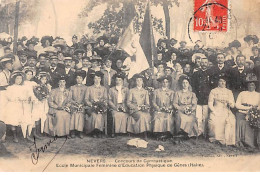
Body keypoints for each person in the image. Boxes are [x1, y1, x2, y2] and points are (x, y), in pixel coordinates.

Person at [2, 71, 34, 142]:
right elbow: (9, 97)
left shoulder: (24, 87)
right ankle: (15, 136)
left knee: (25, 119)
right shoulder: (10, 88)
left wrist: (28, 98)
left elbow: (28, 95)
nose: (19, 80)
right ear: (14, 79)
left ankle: (26, 135)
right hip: (14, 105)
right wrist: (16, 98)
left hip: (23, 105)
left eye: (20, 79)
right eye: (17, 79)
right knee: (14, 121)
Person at [208, 76, 236, 146]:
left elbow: (233, 105)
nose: (222, 83)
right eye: (221, 81)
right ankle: (217, 138)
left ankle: (228, 140)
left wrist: (229, 102)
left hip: (226, 109)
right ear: (218, 82)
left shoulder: (229, 92)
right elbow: (210, 103)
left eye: (224, 81)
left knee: (231, 120)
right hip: (216, 109)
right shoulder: (213, 91)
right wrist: (214, 111)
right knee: (214, 120)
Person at [235, 73, 260, 148]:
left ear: (255, 86)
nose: (250, 86)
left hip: (254, 113)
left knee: (252, 123)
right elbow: (237, 105)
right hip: (242, 112)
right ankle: (240, 141)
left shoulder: (258, 95)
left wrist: (252, 111)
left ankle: (250, 143)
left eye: (252, 84)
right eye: (249, 84)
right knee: (240, 121)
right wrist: (247, 108)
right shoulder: (242, 93)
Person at [127, 74, 151, 140]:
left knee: (147, 115)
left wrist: (145, 107)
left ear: (142, 82)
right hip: (134, 110)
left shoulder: (145, 91)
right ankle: (143, 133)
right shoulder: (131, 90)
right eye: (137, 80)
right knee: (142, 116)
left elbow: (147, 103)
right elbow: (128, 103)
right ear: (135, 82)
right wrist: (136, 107)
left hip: (143, 110)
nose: (139, 82)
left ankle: (144, 132)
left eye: (140, 80)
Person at [192, 57, 211, 137]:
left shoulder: (211, 73)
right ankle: (199, 132)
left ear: (208, 63)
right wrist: (195, 96)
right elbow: (194, 86)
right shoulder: (196, 74)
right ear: (200, 63)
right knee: (198, 116)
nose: (203, 64)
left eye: (205, 62)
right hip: (198, 97)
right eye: (202, 62)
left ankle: (205, 133)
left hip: (207, 98)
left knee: (205, 116)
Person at [84, 71, 108, 138]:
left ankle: (99, 131)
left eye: (98, 78)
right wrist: (91, 104)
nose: (97, 80)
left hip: (100, 107)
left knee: (99, 115)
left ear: (100, 79)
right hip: (91, 107)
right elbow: (86, 99)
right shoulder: (89, 88)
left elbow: (106, 99)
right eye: (95, 78)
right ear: (93, 79)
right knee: (94, 115)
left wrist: (101, 104)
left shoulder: (104, 89)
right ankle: (93, 131)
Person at [69, 70, 87, 139]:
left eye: (80, 78)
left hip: (82, 105)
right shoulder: (72, 87)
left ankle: (80, 131)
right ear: (75, 79)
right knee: (74, 112)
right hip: (73, 104)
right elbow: (69, 98)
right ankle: (73, 130)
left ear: (82, 79)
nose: (79, 80)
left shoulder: (85, 88)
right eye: (77, 78)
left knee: (80, 112)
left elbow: (86, 98)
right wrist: (74, 103)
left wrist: (81, 104)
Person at [32, 72, 51, 136]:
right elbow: (36, 95)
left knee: (43, 116)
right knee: (37, 116)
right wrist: (40, 98)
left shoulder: (47, 86)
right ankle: (35, 132)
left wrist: (46, 97)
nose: (44, 81)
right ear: (40, 79)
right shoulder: (37, 86)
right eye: (43, 79)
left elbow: (48, 95)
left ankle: (41, 131)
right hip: (38, 103)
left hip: (44, 103)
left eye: (45, 79)